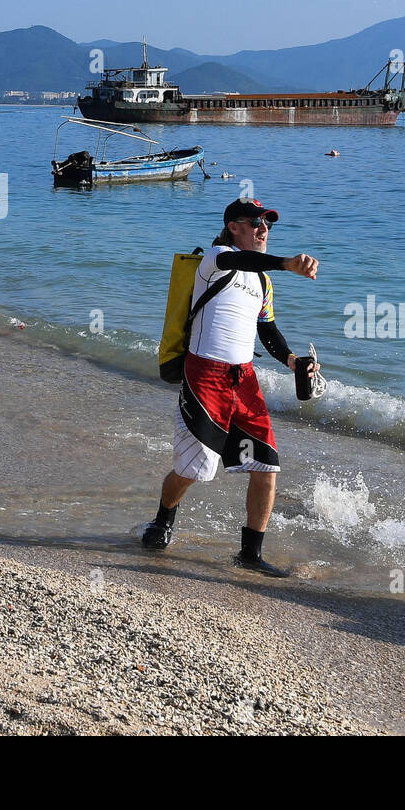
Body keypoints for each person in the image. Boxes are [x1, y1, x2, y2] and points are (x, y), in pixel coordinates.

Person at [142, 198, 319, 578]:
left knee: (267, 466)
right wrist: (288, 263)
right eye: (256, 222)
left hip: (245, 381)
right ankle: (162, 520)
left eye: (268, 224)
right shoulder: (215, 258)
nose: (264, 229)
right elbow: (241, 261)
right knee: (194, 468)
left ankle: (250, 554)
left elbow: (266, 329)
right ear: (234, 226)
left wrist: (293, 361)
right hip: (204, 375)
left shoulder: (263, 281)